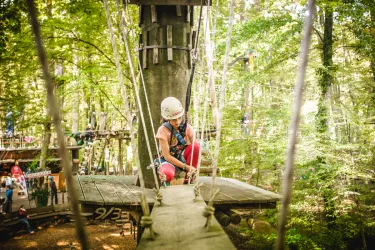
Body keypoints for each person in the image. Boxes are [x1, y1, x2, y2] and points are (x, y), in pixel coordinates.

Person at [155, 97, 200, 185]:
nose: (177, 122)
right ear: (167, 118)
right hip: (167, 160)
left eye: (179, 118)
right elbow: (167, 156)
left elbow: (195, 147)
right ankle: (166, 191)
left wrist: (191, 168)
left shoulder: (187, 128)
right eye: (174, 119)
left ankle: (189, 179)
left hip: (182, 157)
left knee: (196, 147)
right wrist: (187, 167)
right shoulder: (162, 130)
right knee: (166, 174)